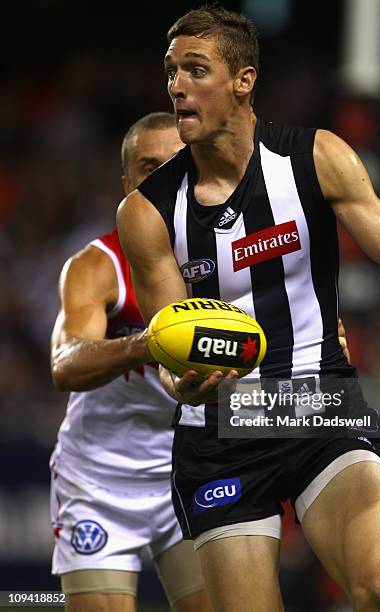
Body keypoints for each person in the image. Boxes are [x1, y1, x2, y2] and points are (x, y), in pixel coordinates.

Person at [117, 6, 380, 612]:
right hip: (221, 429)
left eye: (195, 70)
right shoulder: (148, 212)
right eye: (170, 73)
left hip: (319, 405)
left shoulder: (316, 158)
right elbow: (167, 343)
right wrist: (180, 381)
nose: (176, 86)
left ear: (243, 80)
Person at [50, 112, 213, 612]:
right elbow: (65, 363)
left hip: (188, 470)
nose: (164, 179)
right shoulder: (96, 265)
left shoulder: (226, 257)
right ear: (128, 184)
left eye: (178, 164)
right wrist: (148, 342)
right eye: (149, 167)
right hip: (99, 482)